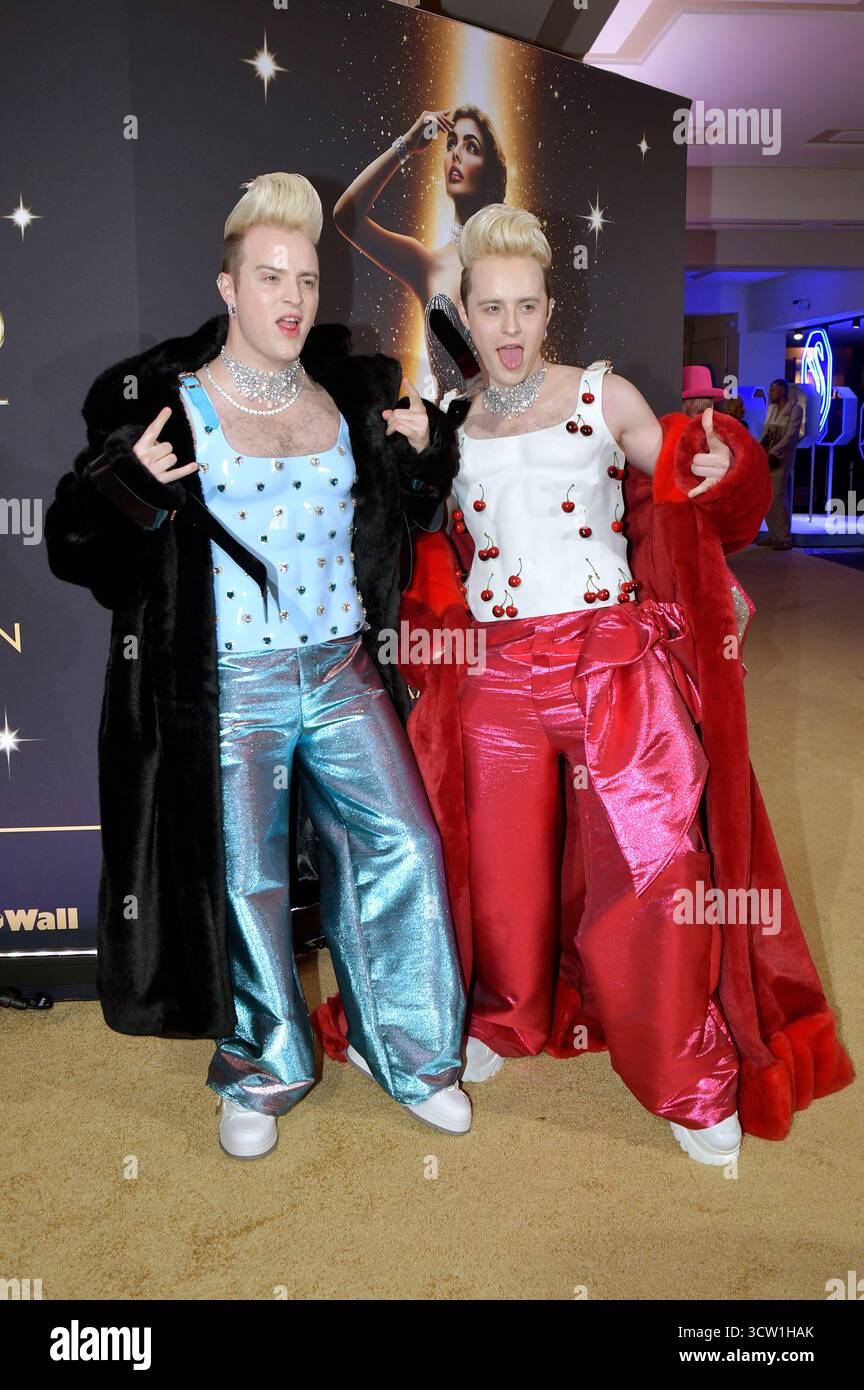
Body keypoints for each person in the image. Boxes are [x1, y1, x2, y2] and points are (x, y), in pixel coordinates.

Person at [313, 205, 853, 1163]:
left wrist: (718, 461)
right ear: (465, 317)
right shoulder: (453, 422)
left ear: (549, 307)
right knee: (499, 877)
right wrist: (400, 464)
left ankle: (688, 1079)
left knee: (660, 867)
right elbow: (410, 542)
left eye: (526, 306)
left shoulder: (604, 395)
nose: (510, 328)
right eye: (491, 309)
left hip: (611, 661)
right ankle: (504, 1019)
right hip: (497, 675)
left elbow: (678, 470)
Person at [44, 172, 471, 1158]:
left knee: (403, 842)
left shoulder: (347, 398)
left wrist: (420, 459)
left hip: (339, 672)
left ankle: (411, 1053)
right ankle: (262, 1064)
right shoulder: (171, 407)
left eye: (309, 280)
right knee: (244, 880)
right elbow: (76, 547)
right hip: (230, 685)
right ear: (228, 287)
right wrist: (126, 490)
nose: (292, 298)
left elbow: (394, 527)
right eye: (270, 276)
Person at [333, 104, 507, 400]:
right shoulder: (427, 265)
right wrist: (407, 145)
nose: (456, 154)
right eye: (451, 144)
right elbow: (346, 217)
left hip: (506, 433)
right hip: (447, 439)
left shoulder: (512, 263)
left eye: (471, 147)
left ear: (491, 175)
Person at [759, 377, 803, 550]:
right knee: (767, 495)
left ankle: (784, 537)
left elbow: (791, 436)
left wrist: (774, 451)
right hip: (768, 456)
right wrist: (758, 450)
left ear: (782, 391)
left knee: (778, 494)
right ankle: (772, 534)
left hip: (781, 458)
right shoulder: (772, 409)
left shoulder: (795, 410)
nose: (770, 393)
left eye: (773, 389)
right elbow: (765, 433)